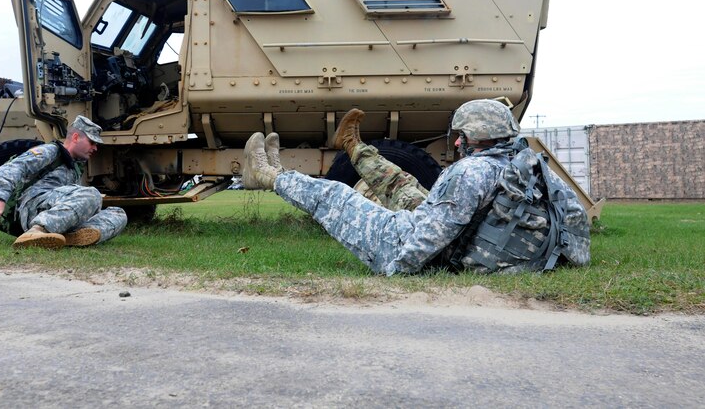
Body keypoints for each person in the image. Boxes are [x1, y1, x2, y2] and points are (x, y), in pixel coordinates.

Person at [241, 100, 590, 275]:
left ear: (468, 138)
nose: (456, 145)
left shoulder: (471, 172)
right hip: (478, 240)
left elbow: (425, 239)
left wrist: (398, 265)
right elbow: (577, 226)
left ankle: (269, 175)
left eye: (460, 138)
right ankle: (349, 147)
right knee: (406, 189)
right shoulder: (532, 166)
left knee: (337, 196)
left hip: (442, 249)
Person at [0, 116, 127, 249]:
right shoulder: (50, 151)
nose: (95, 148)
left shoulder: (74, 168)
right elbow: (11, 169)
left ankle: (67, 237)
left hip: (53, 211)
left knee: (118, 213)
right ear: (75, 137)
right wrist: (0, 198)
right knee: (92, 194)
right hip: (29, 208)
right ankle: (38, 231)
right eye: (92, 142)